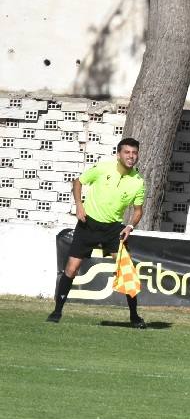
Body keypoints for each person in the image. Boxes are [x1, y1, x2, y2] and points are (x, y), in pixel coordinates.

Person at [48, 138, 147, 327]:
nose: (131, 156)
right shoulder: (103, 168)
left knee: (127, 272)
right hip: (88, 225)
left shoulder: (138, 182)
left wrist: (130, 226)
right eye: (127, 152)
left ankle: (134, 317)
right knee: (71, 269)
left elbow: (138, 211)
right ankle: (57, 311)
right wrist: (79, 205)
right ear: (119, 154)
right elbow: (78, 182)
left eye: (134, 153)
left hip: (113, 230)